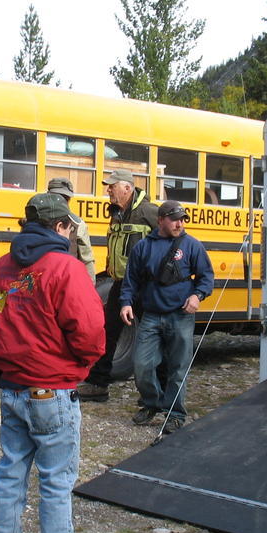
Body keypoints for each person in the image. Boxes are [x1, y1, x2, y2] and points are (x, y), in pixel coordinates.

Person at [0, 192, 104, 533]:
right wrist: (76, 366)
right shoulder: (65, 268)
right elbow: (90, 333)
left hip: (13, 388)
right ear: (62, 227)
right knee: (55, 481)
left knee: (10, 477)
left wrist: (10, 352)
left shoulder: (3, 270)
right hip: (53, 389)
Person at [120, 201, 214, 435]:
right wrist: (125, 303)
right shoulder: (143, 247)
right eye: (174, 219)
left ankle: (175, 414)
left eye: (182, 219)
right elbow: (130, 279)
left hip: (180, 315)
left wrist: (197, 296)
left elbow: (206, 277)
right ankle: (152, 403)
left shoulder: (191, 245)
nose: (179, 223)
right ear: (160, 220)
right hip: (151, 315)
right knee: (142, 365)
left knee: (178, 368)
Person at [79, 169, 158, 401]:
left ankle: (155, 395)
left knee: (151, 336)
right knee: (106, 332)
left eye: (112, 186)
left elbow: (172, 242)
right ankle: (98, 385)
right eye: (109, 186)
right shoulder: (116, 212)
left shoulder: (149, 212)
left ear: (127, 188)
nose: (108, 190)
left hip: (144, 286)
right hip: (120, 284)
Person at [46, 177, 96, 283]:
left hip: (67, 284)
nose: (61, 201)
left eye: (65, 198)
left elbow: (87, 261)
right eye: (57, 197)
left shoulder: (78, 224)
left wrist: (89, 290)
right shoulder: (37, 220)